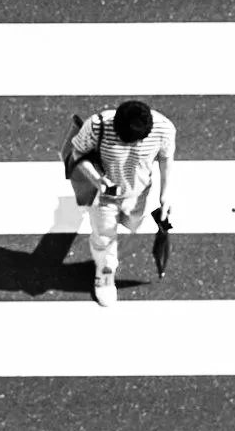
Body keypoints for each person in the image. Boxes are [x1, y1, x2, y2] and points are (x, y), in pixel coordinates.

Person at [63, 97, 176, 308]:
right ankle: (105, 271)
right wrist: (97, 179)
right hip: (103, 194)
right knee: (104, 234)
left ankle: (110, 243)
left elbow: (165, 159)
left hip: (138, 193)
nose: (130, 146)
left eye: (135, 142)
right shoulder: (97, 125)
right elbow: (77, 152)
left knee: (132, 224)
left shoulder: (164, 129)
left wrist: (165, 195)